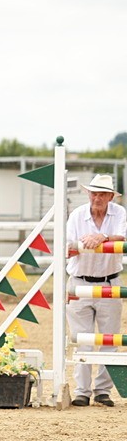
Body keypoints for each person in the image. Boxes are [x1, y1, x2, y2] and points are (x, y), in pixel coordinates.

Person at [67, 173, 126, 407]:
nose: (97, 197)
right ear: (88, 194)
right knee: (83, 340)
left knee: (110, 338)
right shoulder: (76, 215)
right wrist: (90, 242)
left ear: (111, 196)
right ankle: (82, 390)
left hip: (109, 281)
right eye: (94, 193)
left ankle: (103, 390)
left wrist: (101, 237)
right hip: (80, 281)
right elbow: (70, 245)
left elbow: (123, 235)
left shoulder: (120, 212)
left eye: (102, 193)